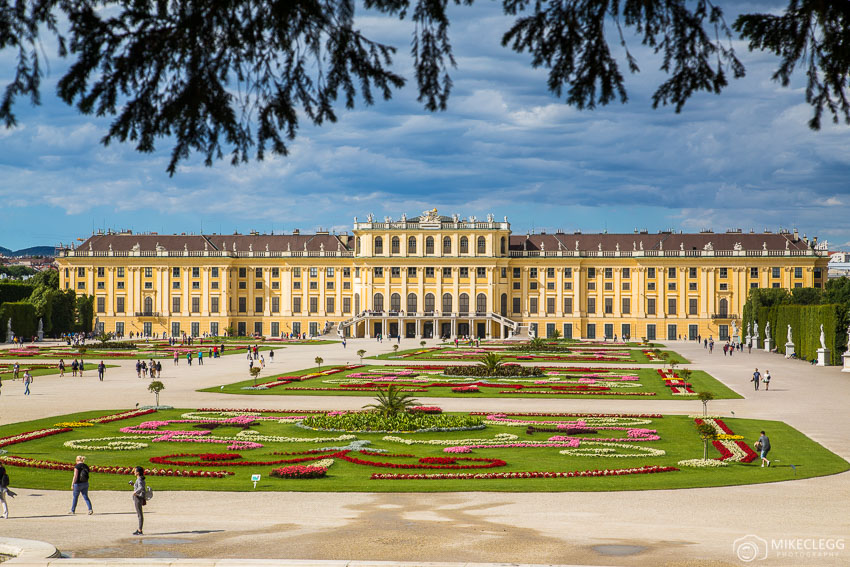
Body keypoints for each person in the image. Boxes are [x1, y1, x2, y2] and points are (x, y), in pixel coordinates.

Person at [131, 466, 146, 535]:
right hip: (139, 497)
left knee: (139, 514)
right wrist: (133, 485)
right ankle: (140, 529)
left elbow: (141, 487)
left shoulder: (139, 479)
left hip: (138, 497)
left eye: (135, 471)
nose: (134, 472)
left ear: (137, 473)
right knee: (140, 514)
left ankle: (140, 530)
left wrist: (135, 492)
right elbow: (139, 487)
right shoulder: (140, 479)